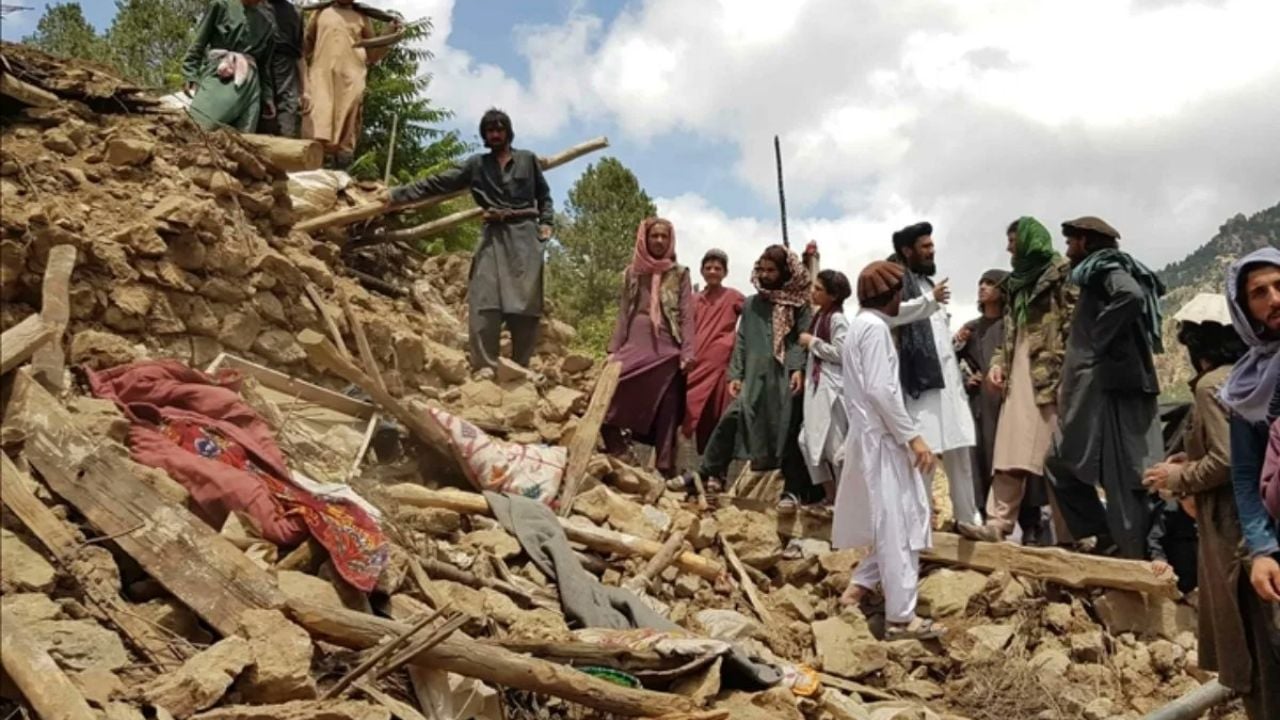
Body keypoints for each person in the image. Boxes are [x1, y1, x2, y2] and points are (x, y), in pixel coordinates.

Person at [1146, 289, 1278, 718]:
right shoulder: (1254, 375)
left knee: (1256, 653)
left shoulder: (1212, 385)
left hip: (1236, 534)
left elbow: (1226, 461)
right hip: (1257, 525)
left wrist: (1178, 476)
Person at [388, 110, 553, 372]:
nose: (495, 134)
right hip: (493, 234)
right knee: (484, 297)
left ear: (508, 132)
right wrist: (398, 195)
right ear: (485, 135)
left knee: (525, 303)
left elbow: (544, 196)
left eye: (499, 129)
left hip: (525, 235)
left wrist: (546, 223)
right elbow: (439, 182)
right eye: (490, 131)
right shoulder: (476, 164)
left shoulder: (527, 159)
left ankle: (519, 367)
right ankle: (484, 366)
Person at [833, 260, 941, 640]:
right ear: (892, 296)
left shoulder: (860, 326)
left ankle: (858, 588)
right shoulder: (876, 330)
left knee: (892, 521)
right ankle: (901, 617)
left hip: (870, 438)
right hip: (883, 440)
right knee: (900, 527)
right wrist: (912, 436)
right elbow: (881, 389)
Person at [1046, 216, 1165, 559]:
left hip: (1110, 392)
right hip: (1098, 391)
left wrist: (1098, 337)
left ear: (1085, 242)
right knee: (1058, 462)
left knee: (1122, 478)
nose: (1068, 250)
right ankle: (1104, 535)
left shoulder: (1105, 266)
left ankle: (1133, 563)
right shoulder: (1096, 273)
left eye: (1071, 243)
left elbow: (1129, 295)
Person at [959, 218, 1075, 545]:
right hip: (1021, 370)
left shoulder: (1061, 274)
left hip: (1052, 372)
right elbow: (1010, 333)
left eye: (1013, 240)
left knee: (1057, 456)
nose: (1009, 247)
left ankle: (1071, 535)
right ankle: (998, 522)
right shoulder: (1019, 283)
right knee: (1010, 450)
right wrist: (999, 363)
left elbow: (1075, 323)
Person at [692, 245, 811, 500]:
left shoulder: (799, 304)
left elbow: (801, 339)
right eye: (762, 270)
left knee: (786, 429)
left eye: (772, 270)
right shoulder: (752, 304)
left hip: (784, 376)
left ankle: (792, 492)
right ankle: (706, 471)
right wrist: (735, 374)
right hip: (755, 374)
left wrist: (798, 368)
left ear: (784, 272)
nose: (766, 275)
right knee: (733, 417)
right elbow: (742, 339)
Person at [886, 222, 981, 527]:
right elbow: (891, 314)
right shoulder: (897, 281)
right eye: (924, 247)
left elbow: (938, 338)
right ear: (907, 251)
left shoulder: (928, 285)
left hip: (948, 387)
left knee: (959, 454)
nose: (931, 251)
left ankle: (969, 522)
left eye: (931, 245)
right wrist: (929, 301)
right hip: (919, 387)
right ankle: (919, 528)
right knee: (923, 459)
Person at [601, 218, 695, 479]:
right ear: (645, 238)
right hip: (636, 340)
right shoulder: (633, 272)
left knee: (669, 403)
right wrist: (614, 349)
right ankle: (616, 445)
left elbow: (687, 316)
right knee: (612, 386)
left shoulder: (680, 273)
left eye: (664, 237)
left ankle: (664, 466)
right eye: (654, 236)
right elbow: (623, 312)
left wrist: (688, 352)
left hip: (668, 346)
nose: (659, 241)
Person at [1222, 248, 1280, 610]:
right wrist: (1262, 550)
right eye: (1260, 293)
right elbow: (1245, 473)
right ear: (1245, 310)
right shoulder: (1245, 386)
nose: (1275, 299)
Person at [304, 0, 397, 165]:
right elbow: (305, 46)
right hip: (322, 77)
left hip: (351, 80)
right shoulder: (320, 12)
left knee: (347, 125)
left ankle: (342, 166)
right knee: (318, 121)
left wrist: (390, 33)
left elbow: (373, 55)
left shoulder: (362, 17)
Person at [797, 269, 853, 508]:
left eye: (819, 289)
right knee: (806, 441)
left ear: (833, 295)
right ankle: (830, 495)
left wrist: (813, 343)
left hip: (831, 388)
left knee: (835, 447)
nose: (813, 292)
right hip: (816, 387)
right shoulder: (819, 316)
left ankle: (844, 501)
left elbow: (842, 353)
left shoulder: (838, 320)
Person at [955, 269, 1009, 513]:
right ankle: (981, 512)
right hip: (978, 403)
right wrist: (968, 378)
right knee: (979, 457)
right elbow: (951, 361)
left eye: (990, 283)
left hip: (1006, 400)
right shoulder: (971, 329)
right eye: (981, 282)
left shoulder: (1011, 325)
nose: (983, 287)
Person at [682, 250, 745, 456]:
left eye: (717, 268)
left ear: (725, 272)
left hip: (721, 366)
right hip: (695, 364)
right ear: (701, 271)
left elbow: (755, 313)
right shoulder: (693, 299)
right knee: (687, 410)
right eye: (708, 268)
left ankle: (715, 471)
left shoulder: (733, 297)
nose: (712, 271)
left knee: (718, 414)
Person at [182, 0, 277, 132]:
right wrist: (190, 73)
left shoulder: (268, 22)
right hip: (221, 75)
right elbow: (199, 43)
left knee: (242, 143)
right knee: (197, 129)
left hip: (250, 86)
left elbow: (264, 65)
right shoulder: (221, 5)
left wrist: (267, 96)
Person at [260, 0, 309, 138]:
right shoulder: (254, 7)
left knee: (287, 123)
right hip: (260, 68)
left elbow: (300, 55)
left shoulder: (296, 13)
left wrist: (306, 89)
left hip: (286, 71)